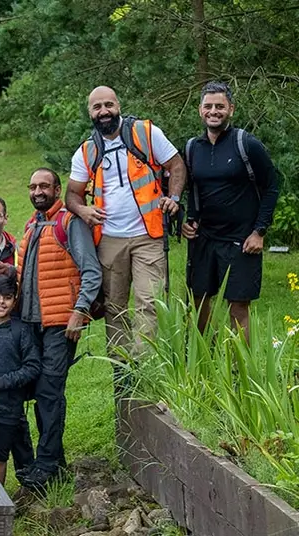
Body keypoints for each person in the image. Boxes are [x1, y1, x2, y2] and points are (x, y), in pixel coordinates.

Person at [65, 85, 185, 355]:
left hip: (149, 236)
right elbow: (72, 194)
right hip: (109, 239)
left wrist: (174, 199)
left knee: (149, 303)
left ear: (118, 105)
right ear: (90, 112)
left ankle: (146, 367)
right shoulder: (86, 151)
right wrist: (82, 211)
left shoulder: (145, 133)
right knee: (114, 307)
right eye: (97, 107)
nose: (104, 111)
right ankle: (125, 376)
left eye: (109, 105)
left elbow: (176, 165)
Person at [17, 168, 102, 489]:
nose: (38, 191)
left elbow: (91, 271)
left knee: (49, 392)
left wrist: (79, 311)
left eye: (44, 186)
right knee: (40, 394)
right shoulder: (32, 225)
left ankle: (47, 464)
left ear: (56, 189)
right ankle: (56, 463)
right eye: (33, 186)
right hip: (30, 324)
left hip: (60, 325)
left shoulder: (70, 222)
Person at [182, 81, 280, 337]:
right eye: (208, 106)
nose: (213, 111)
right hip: (204, 238)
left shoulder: (245, 144)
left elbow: (272, 185)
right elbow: (186, 188)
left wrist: (259, 231)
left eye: (220, 106)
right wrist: (187, 219)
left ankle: (241, 372)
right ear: (199, 110)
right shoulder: (192, 148)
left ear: (231, 110)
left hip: (241, 238)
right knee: (200, 301)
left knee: (238, 307)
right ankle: (205, 361)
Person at [0, 271, 41, 485]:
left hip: (6, 408)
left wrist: (1, 383)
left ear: (14, 301)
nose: (1, 302)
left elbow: (33, 367)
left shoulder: (21, 331)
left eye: (7, 298)